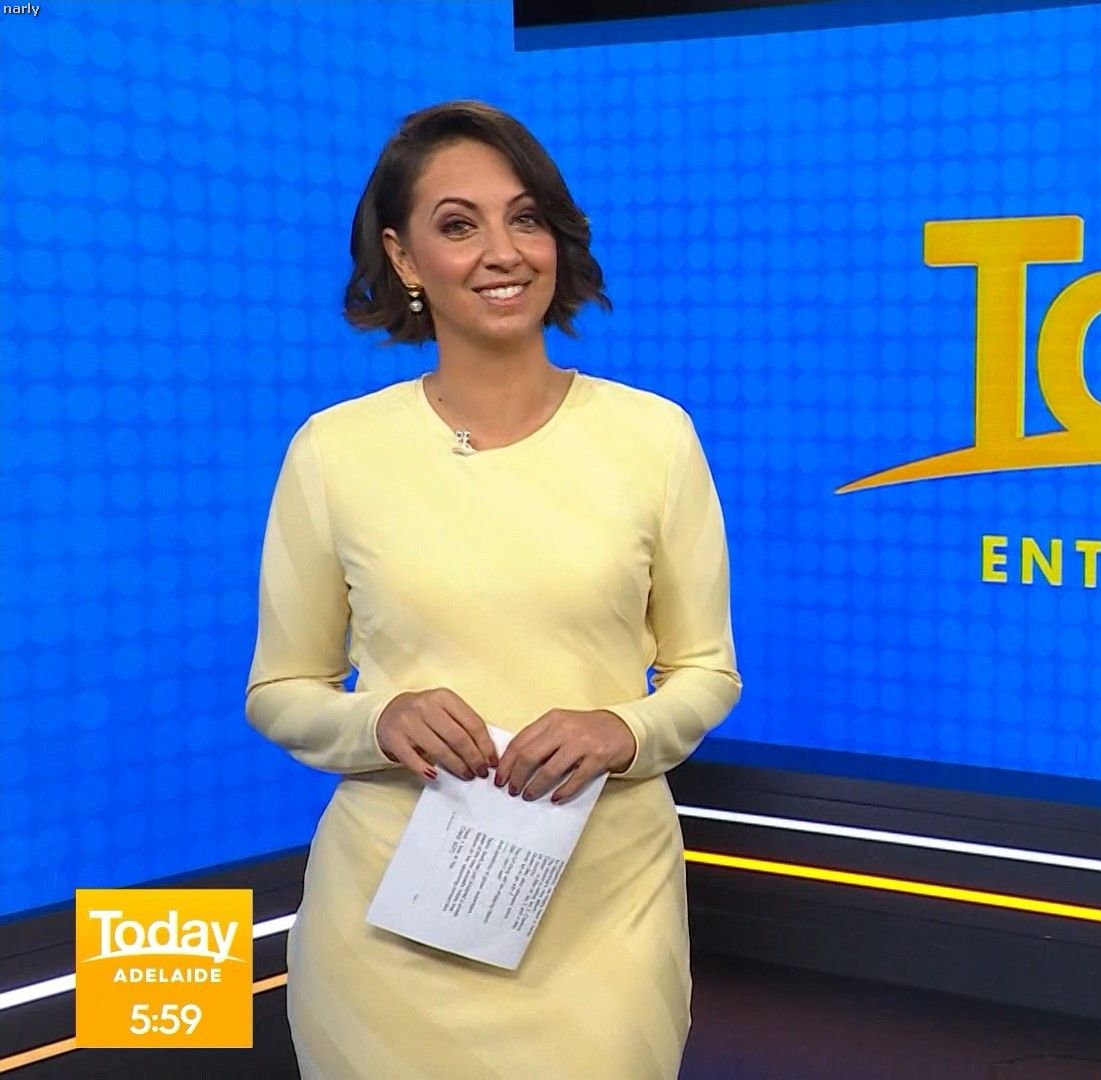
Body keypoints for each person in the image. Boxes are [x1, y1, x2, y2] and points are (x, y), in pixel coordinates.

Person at [244, 99, 741, 1079]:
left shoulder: (653, 437)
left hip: (605, 922)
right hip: (389, 931)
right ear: (404, 257)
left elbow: (707, 671)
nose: (502, 252)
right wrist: (379, 720)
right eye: (458, 225)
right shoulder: (335, 451)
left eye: (525, 219)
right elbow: (279, 691)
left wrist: (624, 730)